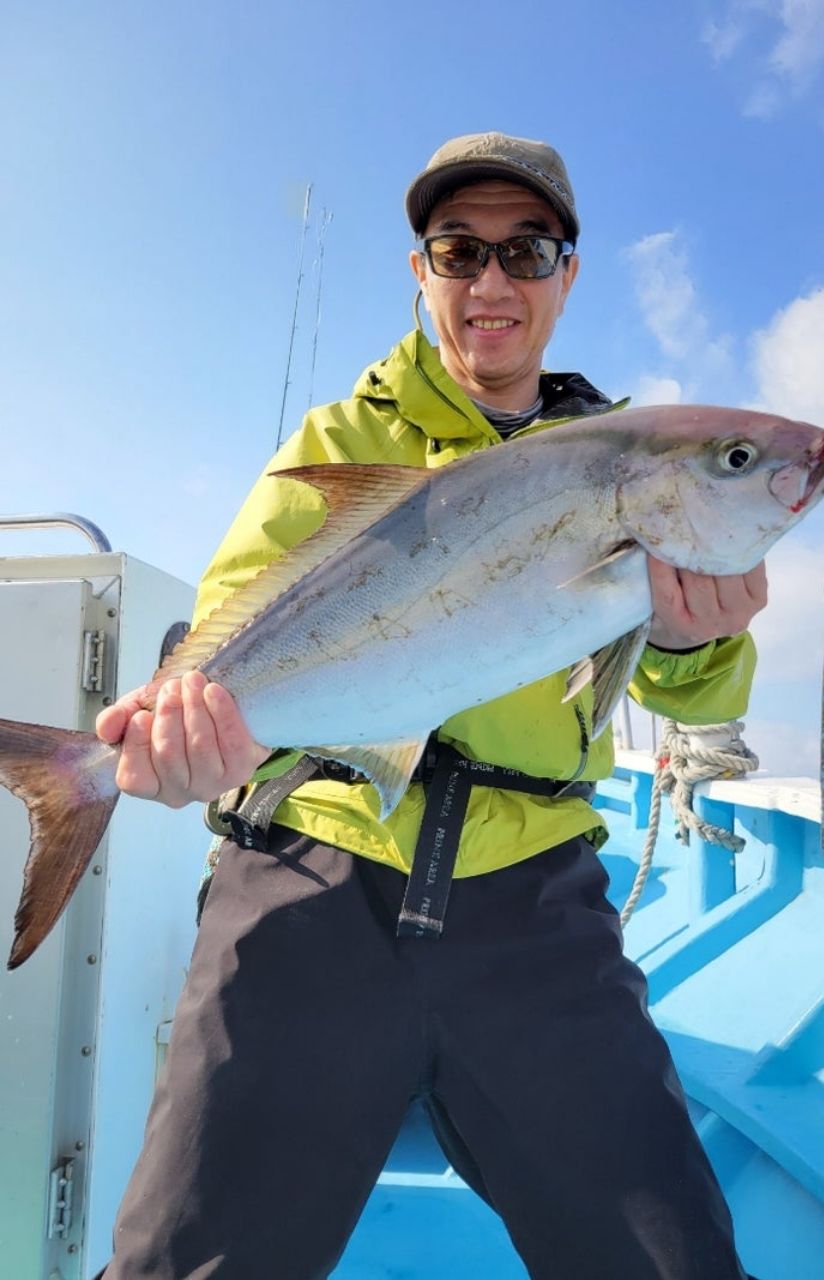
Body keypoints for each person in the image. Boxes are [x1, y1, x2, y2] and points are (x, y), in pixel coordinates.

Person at [95, 133, 767, 1279]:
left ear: (566, 275)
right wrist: (190, 728)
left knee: (672, 1262)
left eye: (526, 250)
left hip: (535, 897)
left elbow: (672, 679)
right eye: (459, 251)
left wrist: (701, 636)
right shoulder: (338, 443)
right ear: (421, 272)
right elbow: (227, 625)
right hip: (313, 870)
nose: (491, 280)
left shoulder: (617, 455)